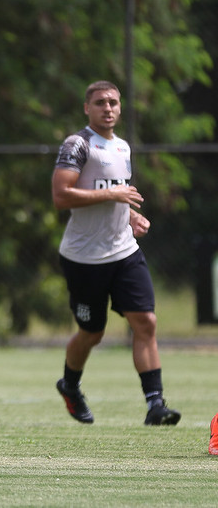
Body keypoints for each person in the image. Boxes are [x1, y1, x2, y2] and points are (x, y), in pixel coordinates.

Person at [52, 80, 180, 426]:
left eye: (113, 102)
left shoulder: (122, 147)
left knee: (146, 322)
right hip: (83, 258)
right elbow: (62, 195)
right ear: (87, 108)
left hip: (123, 250)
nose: (107, 108)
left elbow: (112, 193)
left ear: (120, 108)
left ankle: (156, 405)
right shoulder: (78, 145)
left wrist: (131, 214)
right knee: (92, 333)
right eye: (100, 103)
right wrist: (114, 197)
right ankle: (70, 385)